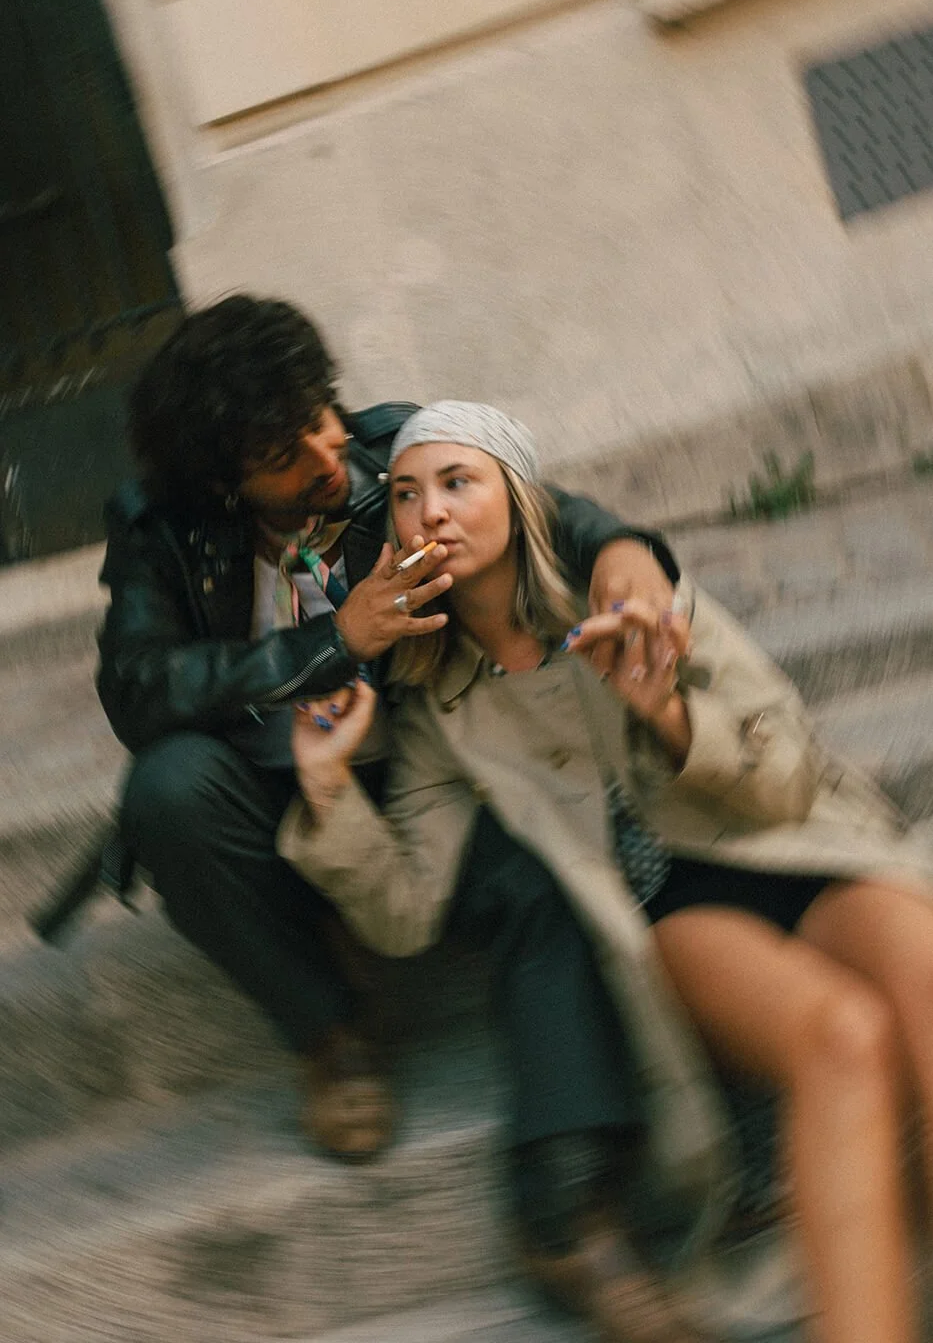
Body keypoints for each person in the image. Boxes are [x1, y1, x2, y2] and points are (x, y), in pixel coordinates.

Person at [280, 399, 933, 1343]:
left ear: (519, 495)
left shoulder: (633, 594)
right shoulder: (434, 704)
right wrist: (326, 789)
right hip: (673, 911)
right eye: (409, 496)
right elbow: (406, 911)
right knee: (842, 1035)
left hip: (792, 849)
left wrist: (666, 714)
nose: (429, 513)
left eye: (457, 482)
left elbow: (787, 774)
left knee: (920, 966)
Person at [95, 295, 680, 1167]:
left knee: (539, 878)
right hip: (266, 793)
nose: (325, 453)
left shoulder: (390, 451)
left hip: (417, 773)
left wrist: (620, 551)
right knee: (166, 790)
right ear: (221, 478)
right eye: (281, 453)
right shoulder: (161, 525)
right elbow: (137, 688)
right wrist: (336, 640)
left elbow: (542, 514)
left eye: (320, 415)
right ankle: (330, 1037)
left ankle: (568, 1196)